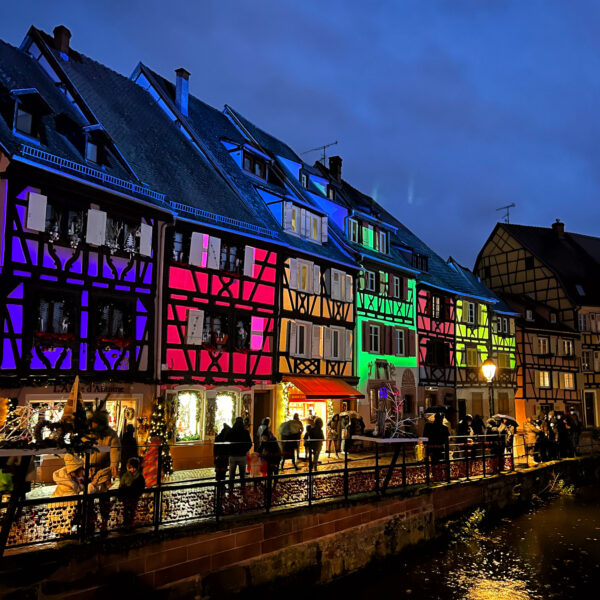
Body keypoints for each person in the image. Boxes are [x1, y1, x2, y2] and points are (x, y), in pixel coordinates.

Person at [86, 408, 121, 534]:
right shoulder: (87, 433)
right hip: (87, 470)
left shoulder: (110, 434)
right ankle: (89, 521)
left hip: (103, 470)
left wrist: (113, 464)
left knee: (103, 497)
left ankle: (104, 521)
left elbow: (115, 449)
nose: (92, 426)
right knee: (88, 497)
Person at [50, 454, 85, 535]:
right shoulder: (66, 483)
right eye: (81, 468)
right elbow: (75, 499)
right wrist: (90, 488)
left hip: (65, 512)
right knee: (65, 533)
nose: (83, 471)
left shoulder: (71, 478)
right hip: (61, 514)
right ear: (75, 470)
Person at [225, 417, 252, 490]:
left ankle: (231, 488)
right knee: (242, 474)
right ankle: (242, 488)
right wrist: (245, 450)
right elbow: (250, 443)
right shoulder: (245, 432)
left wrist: (229, 450)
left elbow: (226, 442)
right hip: (242, 455)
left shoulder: (231, 431)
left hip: (232, 455)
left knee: (231, 474)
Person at [119, 457, 145, 530]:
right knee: (126, 509)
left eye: (134, 468)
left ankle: (130, 522)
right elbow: (121, 484)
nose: (132, 470)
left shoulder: (139, 477)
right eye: (130, 468)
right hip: (126, 496)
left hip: (134, 496)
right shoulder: (126, 475)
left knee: (132, 509)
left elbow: (141, 486)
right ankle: (126, 522)